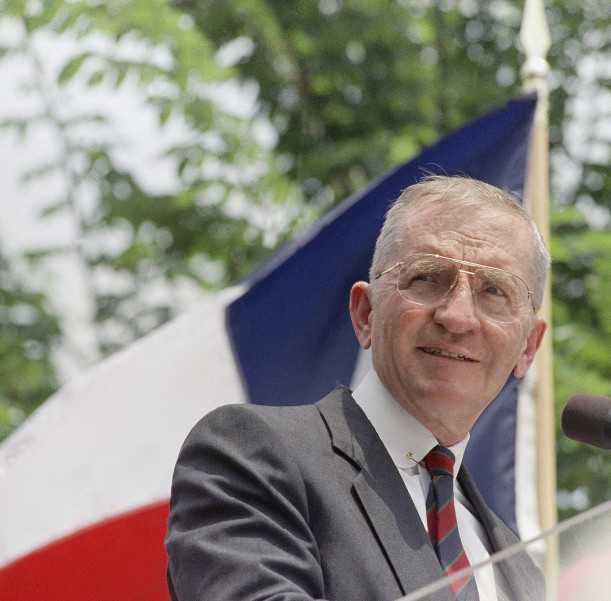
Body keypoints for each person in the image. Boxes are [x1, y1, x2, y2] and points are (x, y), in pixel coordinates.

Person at [165, 175, 550, 601]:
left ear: (528, 348)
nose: (457, 316)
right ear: (365, 313)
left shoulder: (522, 569)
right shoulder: (253, 455)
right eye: (426, 278)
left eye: (494, 290)